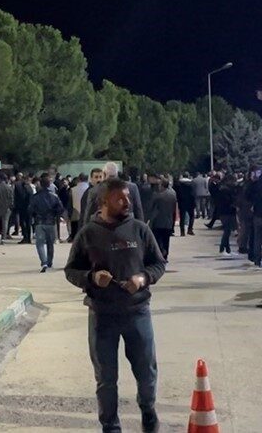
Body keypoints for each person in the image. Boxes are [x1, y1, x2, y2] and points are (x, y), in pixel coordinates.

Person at [65, 178, 166, 433]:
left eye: (128, 197)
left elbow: (158, 263)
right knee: (106, 379)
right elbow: (71, 270)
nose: (127, 202)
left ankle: (148, 411)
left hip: (137, 312)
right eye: (120, 198)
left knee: (146, 372)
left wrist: (143, 278)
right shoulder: (88, 234)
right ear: (104, 201)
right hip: (102, 316)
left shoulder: (140, 230)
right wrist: (91, 278)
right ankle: (110, 426)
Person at [28, 175, 66, 272]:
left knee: (40, 243)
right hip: (51, 222)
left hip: (39, 222)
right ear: (49, 184)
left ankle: (44, 262)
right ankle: (49, 262)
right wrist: (55, 214)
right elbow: (61, 209)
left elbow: (30, 209)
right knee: (50, 243)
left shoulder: (35, 197)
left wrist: (34, 215)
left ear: (40, 184)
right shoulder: (54, 196)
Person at [148, 177, 178, 260]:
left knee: (158, 240)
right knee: (166, 240)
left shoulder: (157, 195)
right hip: (168, 221)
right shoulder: (173, 195)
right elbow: (174, 209)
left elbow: (151, 208)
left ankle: (160, 254)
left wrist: (149, 219)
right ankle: (165, 255)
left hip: (158, 221)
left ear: (162, 185)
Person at [214, 177, 238, 255]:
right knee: (227, 231)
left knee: (227, 230)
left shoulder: (222, 189)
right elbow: (228, 201)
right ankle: (222, 248)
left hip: (224, 212)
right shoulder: (226, 191)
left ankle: (227, 249)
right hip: (227, 212)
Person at [69, 173, 90, 242]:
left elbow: (70, 204)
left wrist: (69, 214)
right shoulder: (90, 190)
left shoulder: (72, 190)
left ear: (79, 179)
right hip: (87, 214)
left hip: (75, 214)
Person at [14, 173, 34, 242]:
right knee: (28, 223)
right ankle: (28, 238)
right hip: (28, 207)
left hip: (23, 207)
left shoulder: (19, 185)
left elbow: (17, 196)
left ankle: (26, 237)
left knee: (24, 222)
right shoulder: (29, 187)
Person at [175, 173, 196, 237]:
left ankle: (182, 232)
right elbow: (193, 194)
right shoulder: (192, 183)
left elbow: (176, 193)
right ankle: (190, 229)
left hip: (182, 202)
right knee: (192, 216)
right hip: (190, 202)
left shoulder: (178, 184)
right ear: (188, 176)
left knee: (182, 217)